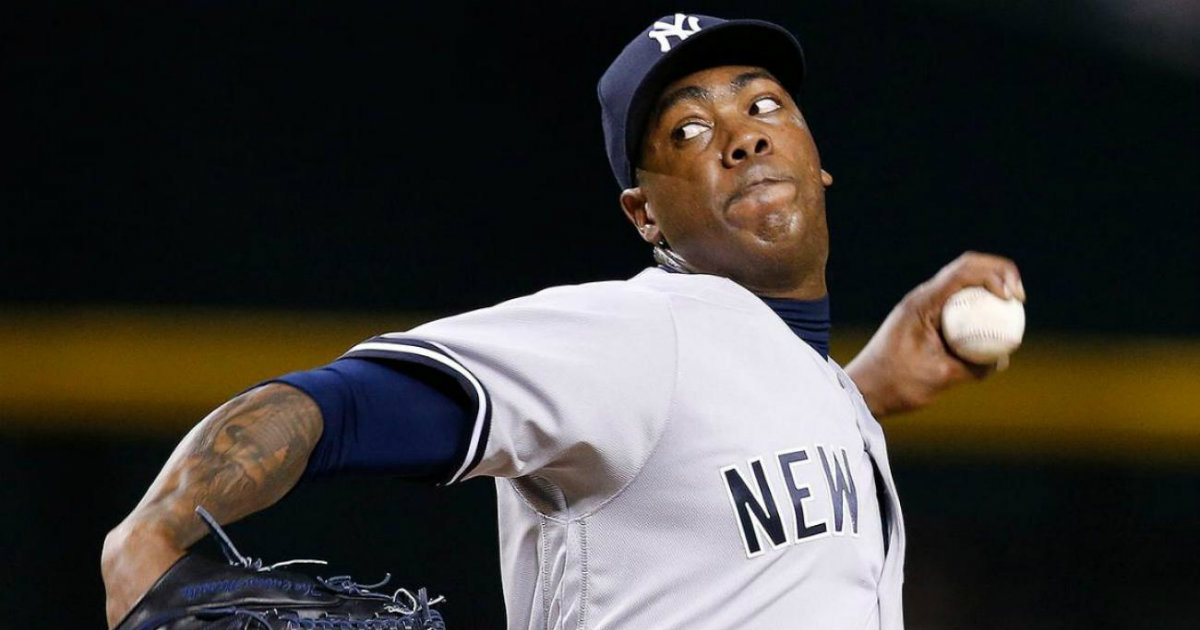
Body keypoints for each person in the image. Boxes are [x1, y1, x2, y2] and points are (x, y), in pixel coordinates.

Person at [102, 13, 1024, 630]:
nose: (741, 133)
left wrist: (857, 388)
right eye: (687, 132)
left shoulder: (809, 391)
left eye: (763, 104)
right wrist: (146, 542)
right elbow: (335, 405)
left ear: (820, 162)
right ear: (643, 214)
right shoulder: (636, 333)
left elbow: (720, 455)